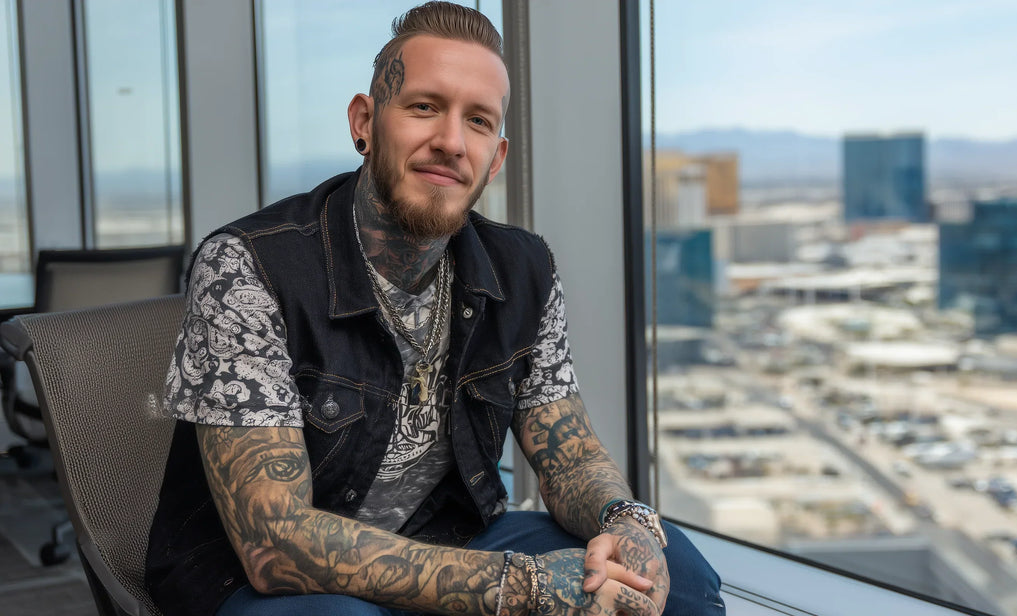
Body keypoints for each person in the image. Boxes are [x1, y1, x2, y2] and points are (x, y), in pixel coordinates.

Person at [145, 3, 724, 616]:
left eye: (477, 121)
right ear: (365, 122)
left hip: (446, 538)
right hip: (262, 581)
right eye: (424, 106)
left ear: (495, 159)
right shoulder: (248, 266)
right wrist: (517, 589)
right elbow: (274, 540)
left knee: (677, 577)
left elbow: (572, 455)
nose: (450, 141)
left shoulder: (522, 269)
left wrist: (626, 523)